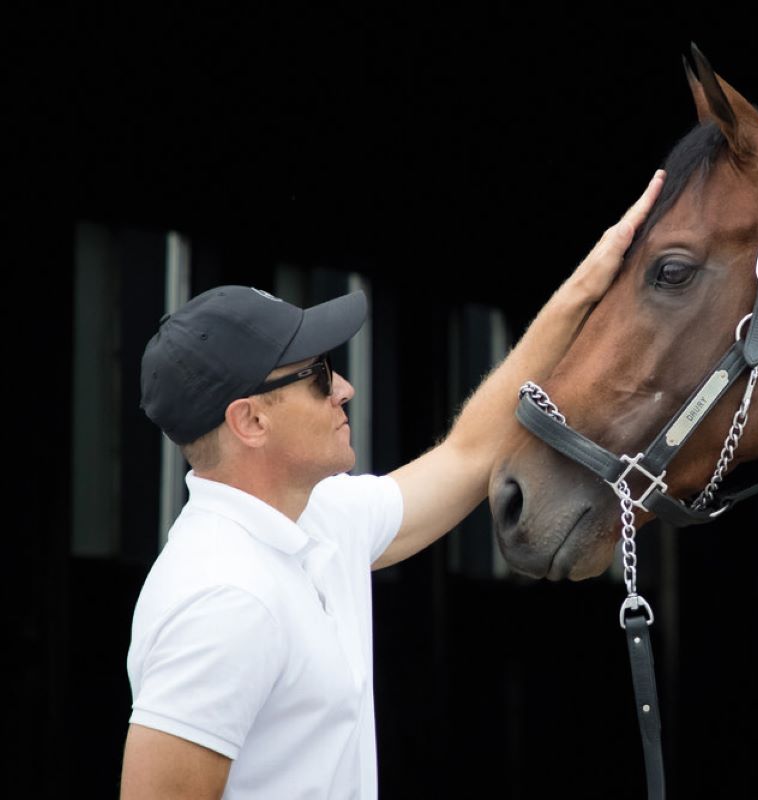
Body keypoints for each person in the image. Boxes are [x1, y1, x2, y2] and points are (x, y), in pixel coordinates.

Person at [120, 170, 665, 799]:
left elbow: (468, 454)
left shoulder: (318, 518)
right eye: (319, 375)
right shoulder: (224, 598)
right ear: (250, 420)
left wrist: (586, 288)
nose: (345, 388)